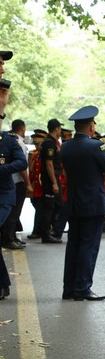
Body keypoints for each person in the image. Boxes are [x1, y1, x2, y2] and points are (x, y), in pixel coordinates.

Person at [60, 106, 105, 301]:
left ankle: (69, 288)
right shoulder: (96, 146)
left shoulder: (66, 146)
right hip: (92, 203)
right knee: (88, 246)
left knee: (74, 245)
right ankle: (83, 287)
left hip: (74, 202)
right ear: (91, 126)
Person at [0, 110, 29, 300]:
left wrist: (2, 169)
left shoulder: (9, 140)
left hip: (3, 196)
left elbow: (22, 162)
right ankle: (3, 284)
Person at [1, 119, 31, 249]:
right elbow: (22, 167)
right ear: (23, 128)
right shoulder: (15, 141)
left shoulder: (11, 140)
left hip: (10, 184)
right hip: (15, 182)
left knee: (14, 213)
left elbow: (22, 164)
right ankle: (8, 238)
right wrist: (28, 183)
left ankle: (11, 237)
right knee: (13, 214)